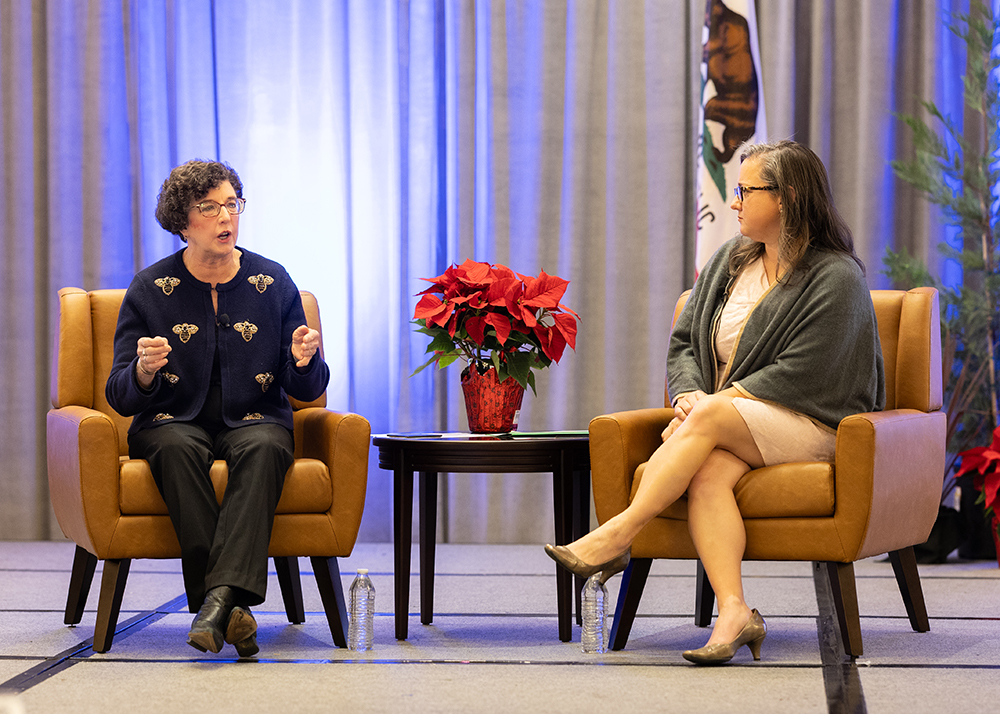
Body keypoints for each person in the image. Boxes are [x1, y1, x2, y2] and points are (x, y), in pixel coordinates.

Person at [546, 140, 884, 664]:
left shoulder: (837, 276)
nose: (734, 202)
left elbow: (812, 373)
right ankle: (735, 614)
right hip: (728, 421)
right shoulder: (731, 261)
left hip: (812, 424)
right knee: (707, 474)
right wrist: (687, 396)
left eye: (746, 190)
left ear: (788, 197)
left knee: (709, 417)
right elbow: (684, 342)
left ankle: (618, 534)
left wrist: (710, 406)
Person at [106, 160, 330, 658]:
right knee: (175, 446)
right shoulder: (149, 288)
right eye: (209, 208)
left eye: (232, 204)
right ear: (182, 221)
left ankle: (214, 605)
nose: (226, 217)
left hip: (255, 417)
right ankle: (230, 609)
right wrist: (143, 371)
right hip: (170, 420)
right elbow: (118, 393)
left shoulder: (272, 281)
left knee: (269, 444)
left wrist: (302, 360)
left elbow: (310, 387)